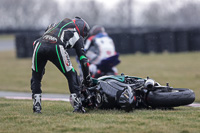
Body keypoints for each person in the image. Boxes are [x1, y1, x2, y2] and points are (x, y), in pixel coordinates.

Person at [31, 17, 91, 113]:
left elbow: (36, 42)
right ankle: (78, 106)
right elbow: (84, 60)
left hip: (39, 46)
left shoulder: (53, 25)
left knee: (36, 76)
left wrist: (40, 66)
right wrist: (87, 78)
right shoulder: (76, 35)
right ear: (81, 28)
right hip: (56, 47)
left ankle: (36, 107)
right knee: (72, 75)